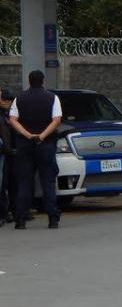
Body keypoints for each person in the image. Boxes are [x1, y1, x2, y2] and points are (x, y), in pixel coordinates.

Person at [8, 71, 63, 229]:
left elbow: (13, 120)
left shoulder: (19, 98)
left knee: (24, 181)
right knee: (48, 181)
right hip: (45, 144)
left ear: (29, 81)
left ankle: (21, 220)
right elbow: (57, 120)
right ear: (43, 81)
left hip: (25, 144)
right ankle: (53, 218)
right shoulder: (52, 98)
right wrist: (42, 135)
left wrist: (28, 135)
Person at [0, 89, 15, 225]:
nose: (7, 102)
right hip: (5, 152)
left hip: (6, 152)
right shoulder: (4, 115)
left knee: (4, 184)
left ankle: (5, 213)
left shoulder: (7, 114)